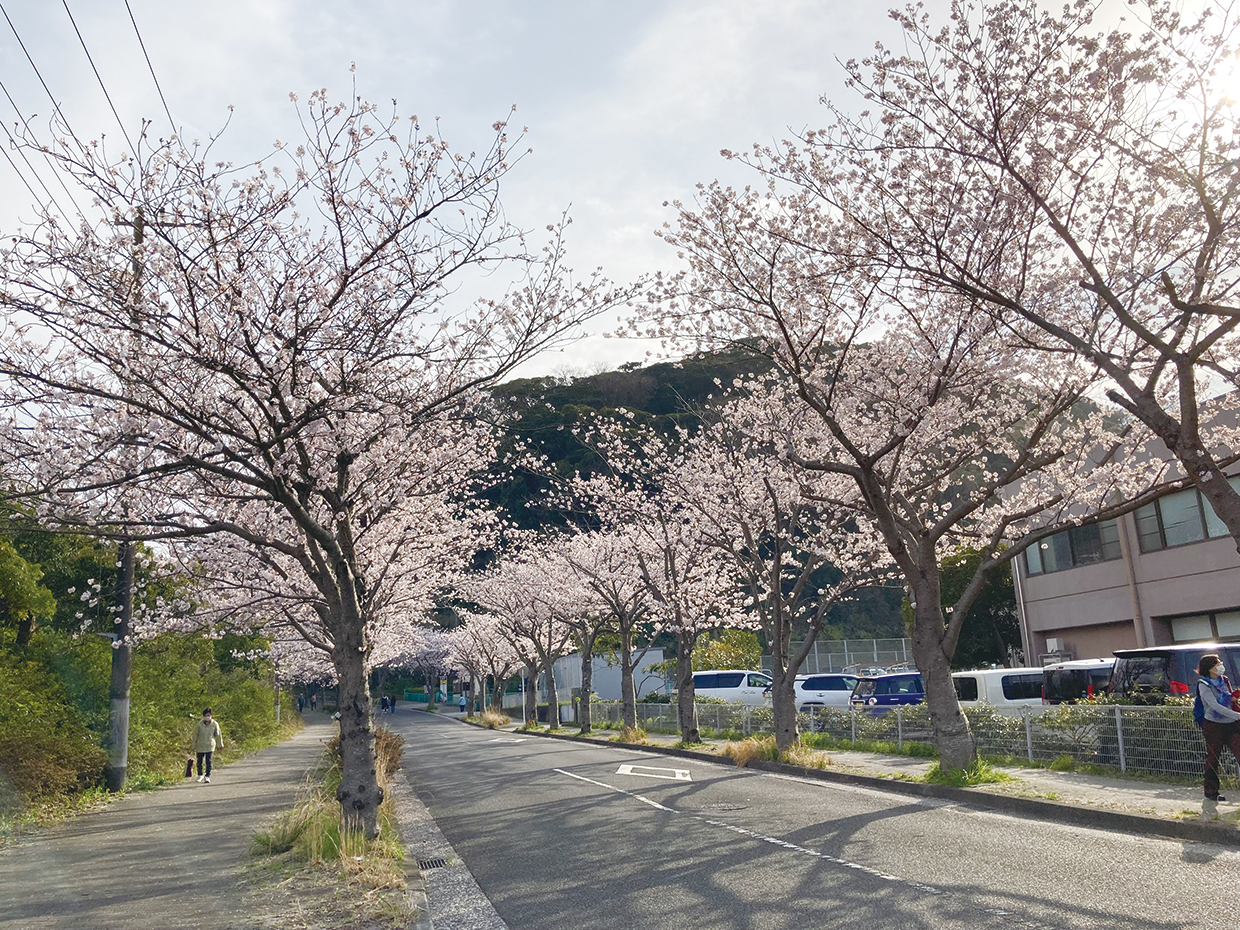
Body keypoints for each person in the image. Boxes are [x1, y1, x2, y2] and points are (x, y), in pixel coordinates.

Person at [1196, 653, 1240, 815]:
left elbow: (1228, 699)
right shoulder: (1204, 684)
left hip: (1231, 725)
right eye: (1218, 663)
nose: (1221, 664)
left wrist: (1234, 700)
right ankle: (1211, 791)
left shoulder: (1225, 680)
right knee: (1213, 758)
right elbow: (1213, 705)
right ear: (1210, 667)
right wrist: (1237, 715)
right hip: (1213, 725)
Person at [193, 708, 224, 784]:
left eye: (209, 715)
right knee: (199, 761)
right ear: (203, 716)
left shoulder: (214, 724)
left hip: (210, 745)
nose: (208, 717)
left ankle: (207, 776)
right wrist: (193, 745)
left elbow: (218, 735)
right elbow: (195, 735)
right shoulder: (199, 724)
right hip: (200, 745)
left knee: (208, 761)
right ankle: (200, 775)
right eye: (206, 715)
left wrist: (220, 745)